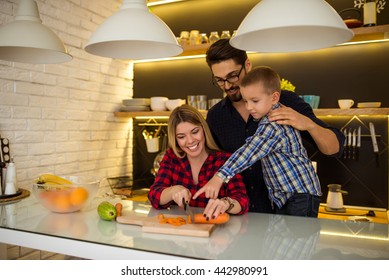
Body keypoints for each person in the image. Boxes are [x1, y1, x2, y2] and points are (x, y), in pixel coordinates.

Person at [202, 39, 344, 213]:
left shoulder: (285, 103)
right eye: (219, 80)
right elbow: (211, 161)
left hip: (287, 203)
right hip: (241, 212)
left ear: (247, 65)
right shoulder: (216, 116)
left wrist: (308, 124)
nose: (227, 86)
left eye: (232, 76)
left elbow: (333, 148)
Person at [194, 66, 321, 217]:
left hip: (300, 196)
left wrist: (218, 178)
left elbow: (249, 152)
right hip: (290, 195)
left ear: (274, 98)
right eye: (246, 101)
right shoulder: (269, 118)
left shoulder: (274, 124)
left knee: (296, 238)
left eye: (255, 101)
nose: (249, 107)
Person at [148, 104, 249, 219]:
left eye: (195, 131)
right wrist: (172, 191)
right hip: (183, 230)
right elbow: (153, 195)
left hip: (218, 231)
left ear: (203, 129)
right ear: (175, 139)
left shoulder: (225, 160)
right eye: (181, 137)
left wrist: (226, 203)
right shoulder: (172, 158)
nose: (190, 141)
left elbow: (242, 200)